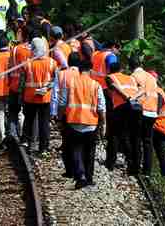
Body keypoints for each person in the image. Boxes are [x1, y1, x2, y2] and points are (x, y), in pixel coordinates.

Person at [59, 57, 106, 189]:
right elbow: (101, 107)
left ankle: (80, 176)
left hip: (73, 122)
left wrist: (59, 118)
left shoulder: (70, 83)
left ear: (79, 70)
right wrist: (103, 122)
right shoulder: (96, 85)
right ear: (90, 70)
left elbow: (62, 103)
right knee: (90, 151)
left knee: (75, 149)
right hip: (91, 123)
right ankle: (89, 178)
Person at [20, 37, 57, 154]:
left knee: (29, 121)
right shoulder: (52, 62)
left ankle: (27, 143)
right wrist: (47, 88)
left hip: (29, 97)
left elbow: (22, 82)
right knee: (44, 123)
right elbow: (55, 80)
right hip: (45, 97)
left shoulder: (27, 63)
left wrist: (21, 96)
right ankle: (43, 147)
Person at [105, 59, 139, 173]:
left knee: (114, 134)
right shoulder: (131, 78)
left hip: (121, 106)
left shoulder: (110, 77)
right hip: (135, 107)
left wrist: (125, 97)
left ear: (110, 70)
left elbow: (113, 87)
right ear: (122, 69)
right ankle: (132, 163)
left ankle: (110, 162)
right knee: (128, 135)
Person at [130, 55, 161, 176]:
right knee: (148, 142)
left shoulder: (134, 76)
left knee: (136, 139)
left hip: (141, 111)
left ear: (130, 66)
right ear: (141, 65)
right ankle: (147, 170)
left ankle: (135, 168)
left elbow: (134, 94)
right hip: (152, 112)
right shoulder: (151, 77)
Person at [52, 51, 81, 178]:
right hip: (81, 112)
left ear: (68, 62)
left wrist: (54, 114)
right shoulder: (83, 74)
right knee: (79, 142)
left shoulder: (62, 74)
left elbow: (55, 94)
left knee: (67, 141)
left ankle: (69, 170)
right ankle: (79, 169)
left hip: (66, 112)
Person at [7, 32, 32, 143]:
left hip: (13, 85)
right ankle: (22, 135)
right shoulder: (34, 51)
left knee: (13, 111)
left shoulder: (15, 49)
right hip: (26, 87)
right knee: (24, 112)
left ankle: (13, 134)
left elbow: (9, 67)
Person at [149, 71, 165, 178]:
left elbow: (154, 111)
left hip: (159, 126)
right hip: (163, 126)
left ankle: (147, 169)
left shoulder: (157, 92)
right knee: (161, 152)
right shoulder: (159, 91)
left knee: (147, 143)